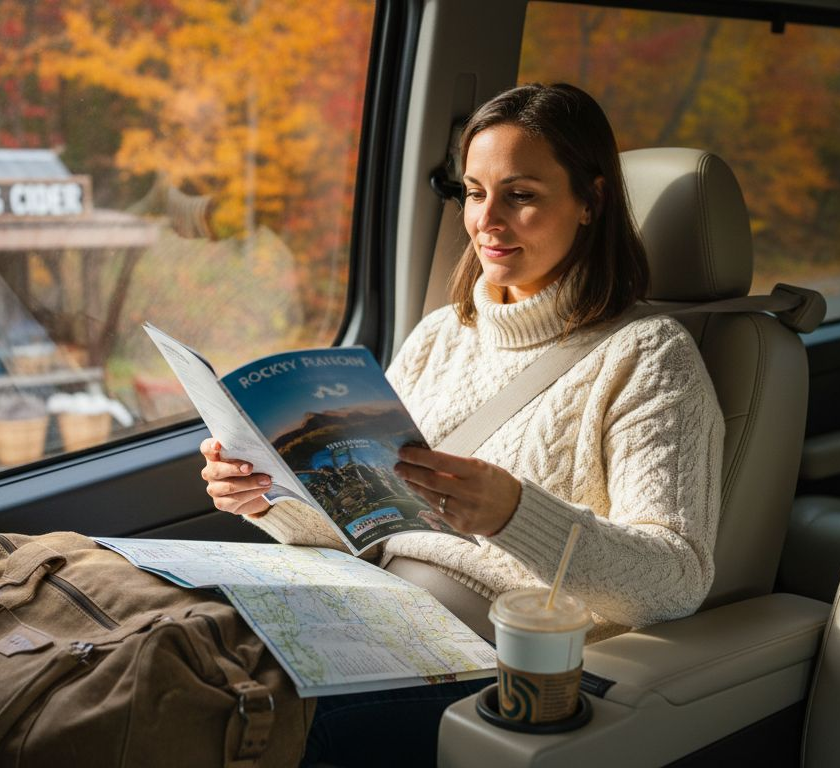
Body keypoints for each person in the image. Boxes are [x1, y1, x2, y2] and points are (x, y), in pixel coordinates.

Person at [199, 82, 724, 766]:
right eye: (475, 192)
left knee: (227, 723)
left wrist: (514, 514)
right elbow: (375, 518)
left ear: (590, 200)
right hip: (371, 605)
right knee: (174, 652)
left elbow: (675, 580)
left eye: (522, 194)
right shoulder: (440, 335)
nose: (488, 221)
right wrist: (270, 496)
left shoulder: (650, 358)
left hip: (497, 657)